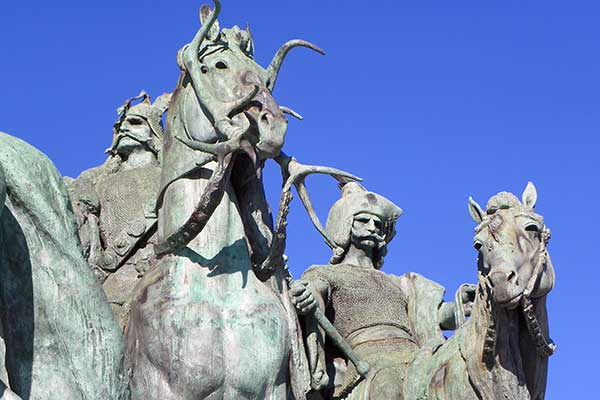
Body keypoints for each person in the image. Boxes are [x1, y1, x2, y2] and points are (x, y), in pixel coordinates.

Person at [291, 182, 470, 399]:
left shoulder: (400, 282)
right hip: (368, 356)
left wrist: (464, 305)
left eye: (378, 223)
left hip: (418, 355)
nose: (373, 227)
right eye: (363, 220)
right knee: (389, 387)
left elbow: (433, 314)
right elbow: (315, 290)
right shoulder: (326, 273)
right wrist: (308, 296)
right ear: (345, 225)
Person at [65, 91, 170, 327]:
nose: (124, 127)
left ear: (152, 132)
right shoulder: (97, 182)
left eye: (134, 122)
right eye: (121, 123)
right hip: (115, 278)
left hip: (162, 266)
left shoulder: (169, 175)